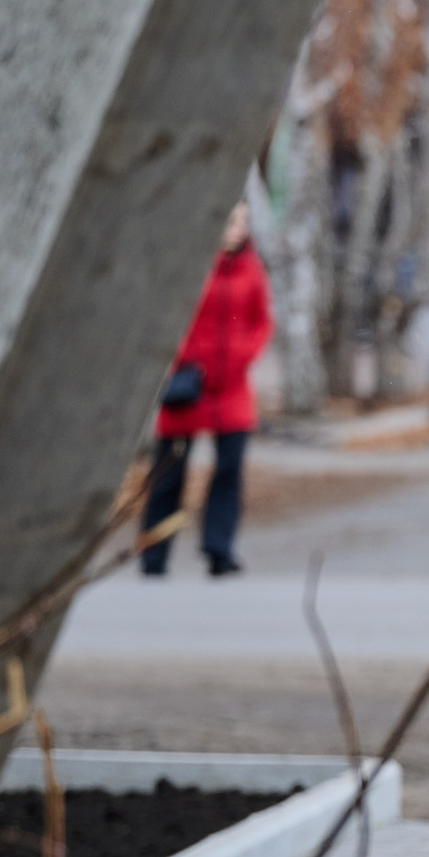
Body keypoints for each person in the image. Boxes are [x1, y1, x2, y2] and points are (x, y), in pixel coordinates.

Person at [146, 202, 271, 577]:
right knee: (169, 471)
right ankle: (154, 553)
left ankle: (219, 549)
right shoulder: (188, 265)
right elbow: (166, 318)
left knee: (229, 469)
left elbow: (261, 322)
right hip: (190, 384)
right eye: (231, 220)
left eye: (243, 222)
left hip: (232, 387)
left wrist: (241, 357)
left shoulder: (252, 269)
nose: (238, 228)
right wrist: (185, 358)